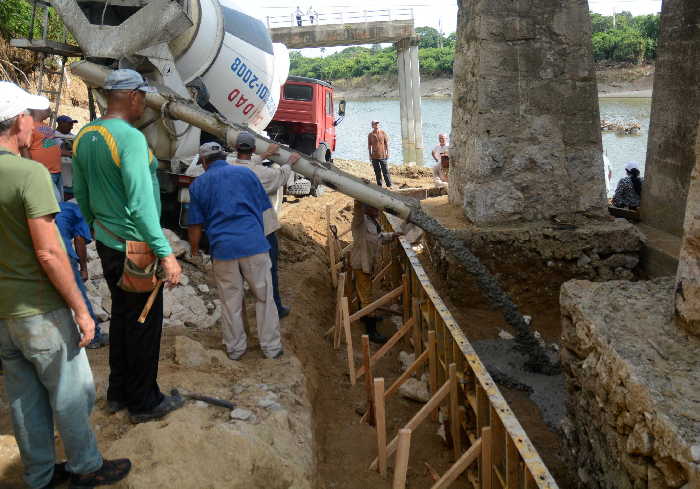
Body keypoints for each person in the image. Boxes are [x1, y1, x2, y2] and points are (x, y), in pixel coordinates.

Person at [0, 81, 131, 489]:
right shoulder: (28, 174)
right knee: (73, 393)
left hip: (4, 313)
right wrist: (80, 308)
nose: (37, 128)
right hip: (40, 309)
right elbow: (50, 253)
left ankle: (39, 475)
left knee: (24, 400)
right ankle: (86, 466)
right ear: (18, 120)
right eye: (34, 119)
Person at [72, 69, 183, 424]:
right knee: (143, 322)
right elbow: (140, 204)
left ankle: (118, 392)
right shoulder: (131, 139)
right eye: (143, 99)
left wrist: (97, 228)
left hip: (107, 241)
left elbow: (84, 196)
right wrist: (164, 253)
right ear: (133, 97)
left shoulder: (85, 135)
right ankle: (144, 401)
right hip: (136, 247)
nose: (143, 105)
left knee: (122, 317)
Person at [188, 142, 285, 361]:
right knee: (264, 297)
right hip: (254, 244)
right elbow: (264, 209)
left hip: (223, 249)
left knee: (230, 300)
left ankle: (235, 349)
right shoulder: (246, 174)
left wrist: (194, 250)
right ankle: (271, 347)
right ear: (224, 157)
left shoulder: (199, 184)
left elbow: (194, 226)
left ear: (204, 162)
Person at [230, 133, 301, 318]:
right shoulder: (262, 174)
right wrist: (290, 162)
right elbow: (280, 177)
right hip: (262, 228)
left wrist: (265, 155)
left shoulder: (229, 165)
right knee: (269, 269)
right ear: (253, 149)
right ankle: (275, 308)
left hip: (238, 228)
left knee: (239, 272)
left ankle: (242, 309)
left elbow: (247, 162)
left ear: (236, 148)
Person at [55, 200, 109, 349]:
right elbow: (79, 239)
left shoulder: (60, 207)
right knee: (80, 295)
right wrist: (84, 268)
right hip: (63, 255)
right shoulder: (79, 211)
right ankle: (94, 338)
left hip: (41, 255)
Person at [350, 200, 402, 344]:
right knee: (367, 296)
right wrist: (360, 196)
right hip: (361, 264)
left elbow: (379, 238)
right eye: (374, 207)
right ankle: (371, 330)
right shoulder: (360, 221)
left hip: (369, 264)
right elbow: (358, 208)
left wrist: (392, 235)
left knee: (364, 291)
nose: (378, 209)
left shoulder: (373, 221)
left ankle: (364, 316)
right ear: (366, 208)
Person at [22, 107, 63, 201]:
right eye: (46, 107)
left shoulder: (45, 126)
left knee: (58, 204)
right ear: (37, 109)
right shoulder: (29, 126)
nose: (50, 109)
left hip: (56, 171)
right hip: (43, 172)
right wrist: (32, 171)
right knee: (54, 204)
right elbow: (24, 149)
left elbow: (49, 144)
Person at [54, 115, 78, 199]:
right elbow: (62, 148)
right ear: (61, 123)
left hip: (70, 172)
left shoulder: (70, 135)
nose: (71, 127)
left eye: (72, 124)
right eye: (69, 124)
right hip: (62, 171)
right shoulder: (55, 135)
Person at [368, 120, 392, 187]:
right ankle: (379, 186)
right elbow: (369, 146)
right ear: (372, 126)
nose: (377, 125)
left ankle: (389, 185)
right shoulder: (370, 135)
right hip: (374, 157)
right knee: (377, 172)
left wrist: (388, 153)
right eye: (375, 124)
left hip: (383, 156)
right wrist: (370, 155)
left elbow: (386, 144)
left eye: (377, 124)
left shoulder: (383, 133)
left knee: (386, 171)